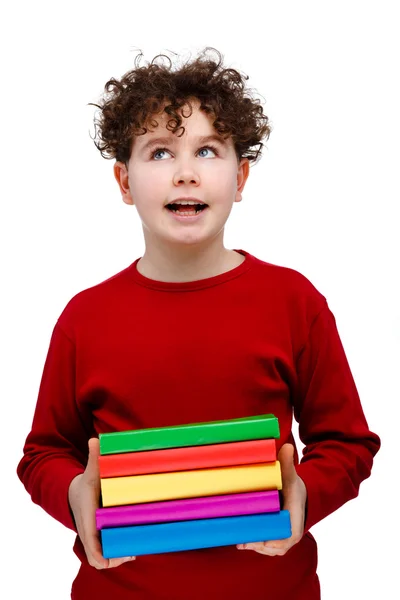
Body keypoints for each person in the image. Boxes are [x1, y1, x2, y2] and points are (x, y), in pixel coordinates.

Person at [17, 46, 380, 600]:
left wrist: (306, 490)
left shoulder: (293, 301)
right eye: (159, 152)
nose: (185, 173)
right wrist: (72, 493)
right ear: (123, 180)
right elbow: (44, 452)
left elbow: (347, 442)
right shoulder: (83, 318)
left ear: (240, 176)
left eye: (207, 150)